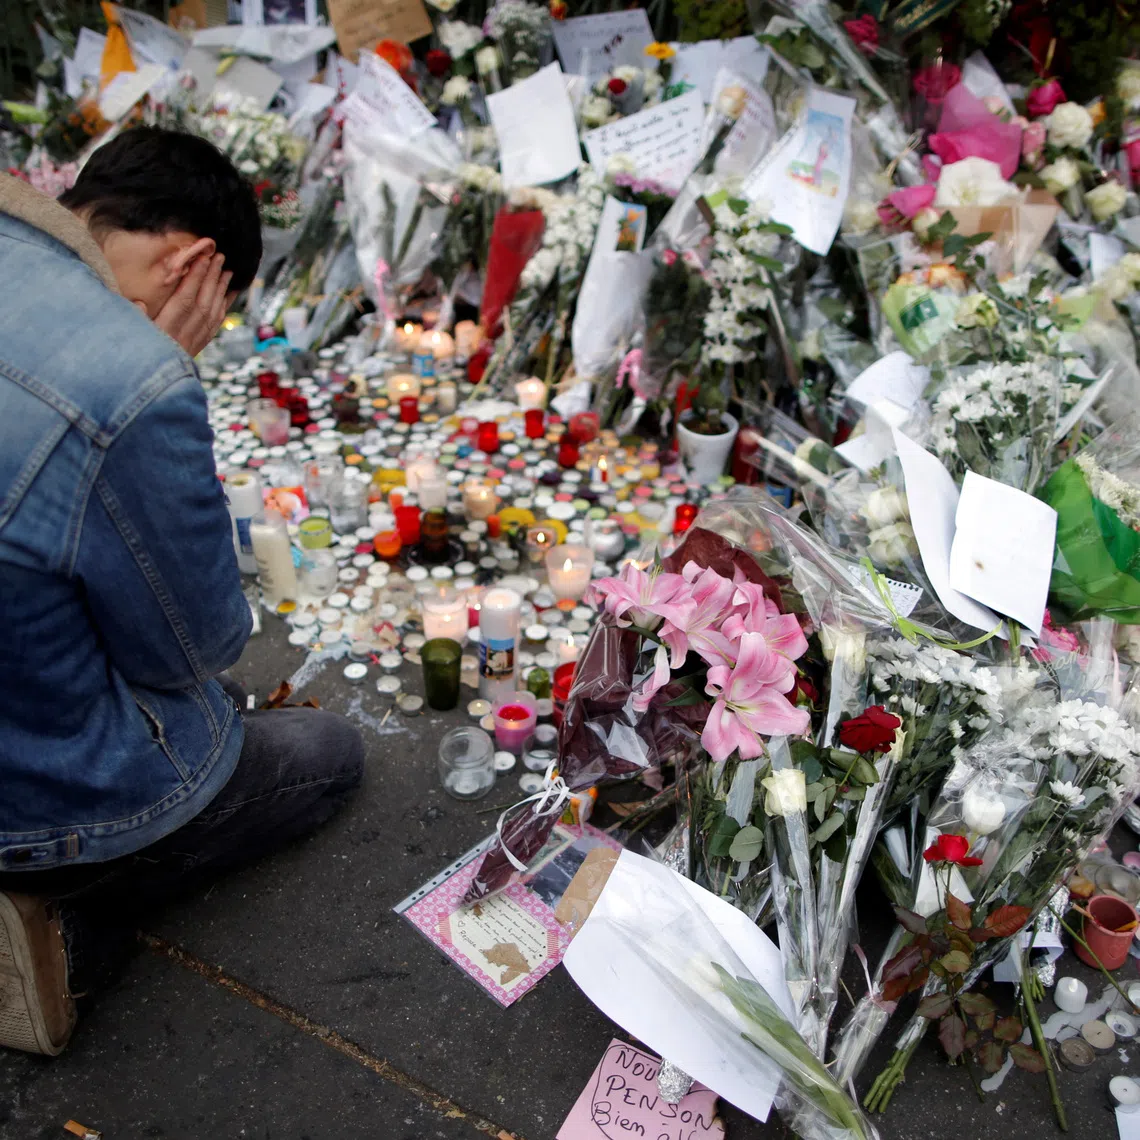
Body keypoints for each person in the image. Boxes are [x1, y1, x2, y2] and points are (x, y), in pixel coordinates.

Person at [0, 127, 364, 1057]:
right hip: (32, 790)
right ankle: (72, 923)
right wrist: (159, 367)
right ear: (193, 263)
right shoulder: (129, 373)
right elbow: (189, 646)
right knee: (323, 750)